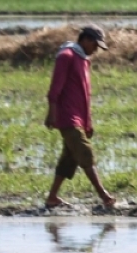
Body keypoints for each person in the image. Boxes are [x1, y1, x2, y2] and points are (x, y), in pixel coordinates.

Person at [44, 25, 116, 210]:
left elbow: (85, 95)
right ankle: (104, 195)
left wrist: (87, 122)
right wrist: (52, 113)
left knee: (70, 157)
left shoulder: (83, 60)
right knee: (84, 152)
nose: (95, 50)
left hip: (78, 117)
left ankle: (52, 197)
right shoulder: (66, 56)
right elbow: (55, 89)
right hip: (67, 116)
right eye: (94, 45)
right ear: (85, 40)